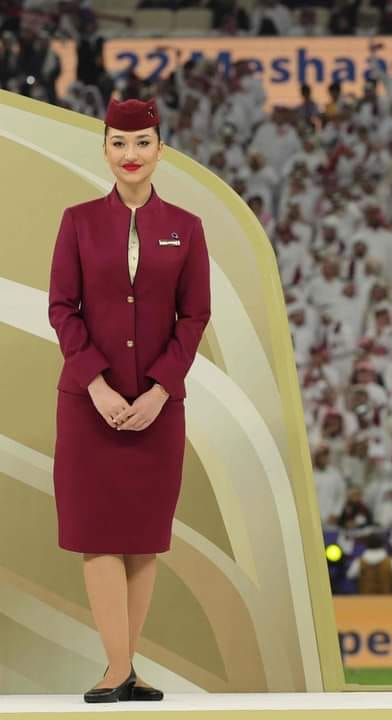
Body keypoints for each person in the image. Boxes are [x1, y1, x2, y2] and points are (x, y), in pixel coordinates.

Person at [48, 98, 211, 703]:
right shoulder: (78, 221)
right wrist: (95, 383)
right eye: (119, 142)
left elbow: (195, 316)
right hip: (87, 406)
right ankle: (119, 671)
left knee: (143, 538)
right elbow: (62, 309)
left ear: (160, 150)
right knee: (97, 533)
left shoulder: (187, 227)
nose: (130, 154)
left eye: (142, 142)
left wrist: (161, 389)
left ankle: (122, 669)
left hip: (158, 411)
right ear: (105, 150)